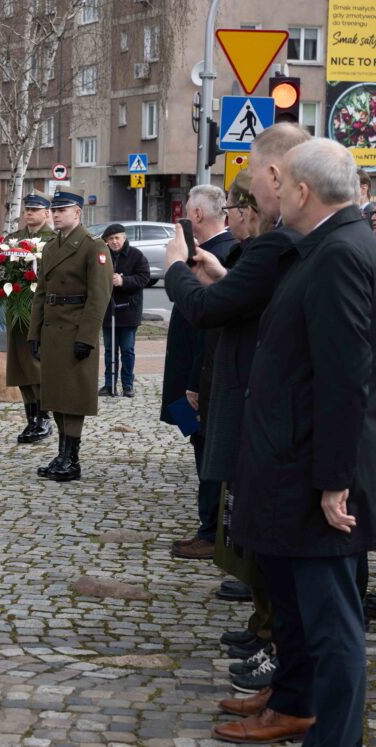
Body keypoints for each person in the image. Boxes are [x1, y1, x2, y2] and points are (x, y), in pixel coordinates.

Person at [162, 123, 315, 743]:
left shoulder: (289, 245)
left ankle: (300, 700)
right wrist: (221, 275)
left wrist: (177, 270)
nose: (246, 191)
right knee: (284, 579)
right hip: (271, 424)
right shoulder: (292, 244)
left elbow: (210, 311)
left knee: (304, 592)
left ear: (280, 177)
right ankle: (289, 690)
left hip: (286, 434)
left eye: (252, 176)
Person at [220, 138, 376, 746]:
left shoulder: (340, 253)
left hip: (316, 476)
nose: (275, 191)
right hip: (299, 462)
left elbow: (345, 377)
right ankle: (302, 710)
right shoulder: (329, 245)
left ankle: (334, 738)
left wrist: (335, 482)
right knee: (312, 615)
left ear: (304, 191)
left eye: (281, 184)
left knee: (332, 626)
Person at [164, 184, 237, 560]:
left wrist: (194, 383)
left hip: (200, 380)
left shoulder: (222, 253)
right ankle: (209, 527)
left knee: (207, 451)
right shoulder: (214, 251)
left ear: (195, 215)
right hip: (192, 378)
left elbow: (209, 329)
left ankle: (211, 531)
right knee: (198, 444)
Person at [26, 190, 112, 482]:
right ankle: (62, 455)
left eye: (62, 210)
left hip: (76, 330)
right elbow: (41, 294)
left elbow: (99, 296)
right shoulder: (52, 246)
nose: (56, 214)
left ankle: (71, 459)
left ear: (78, 212)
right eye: (54, 210)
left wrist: (87, 337)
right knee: (56, 395)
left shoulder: (93, 246)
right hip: (52, 330)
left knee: (73, 396)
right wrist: (34, 333)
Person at [8, 191, 55, 445]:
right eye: (27, 209)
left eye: (35, 210)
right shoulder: (13, 239)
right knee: (21, 368)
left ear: (46, 213)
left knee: (38, 367)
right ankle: (31, 419)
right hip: (17, 311)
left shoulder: (53, 240)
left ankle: (44, 418)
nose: (29, 213)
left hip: (41, 313)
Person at [98, 224, 149, 398]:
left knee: (127, 350)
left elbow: (144, 277)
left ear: (124, 238)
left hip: (129, 311)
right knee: (109, 350)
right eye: (110, 239)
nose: (114, 242)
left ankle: (128, 385)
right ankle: (109, 385)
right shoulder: (102, 255)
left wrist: (124, 281)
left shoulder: (136, 255)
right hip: (107, 310)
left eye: (117, 238)